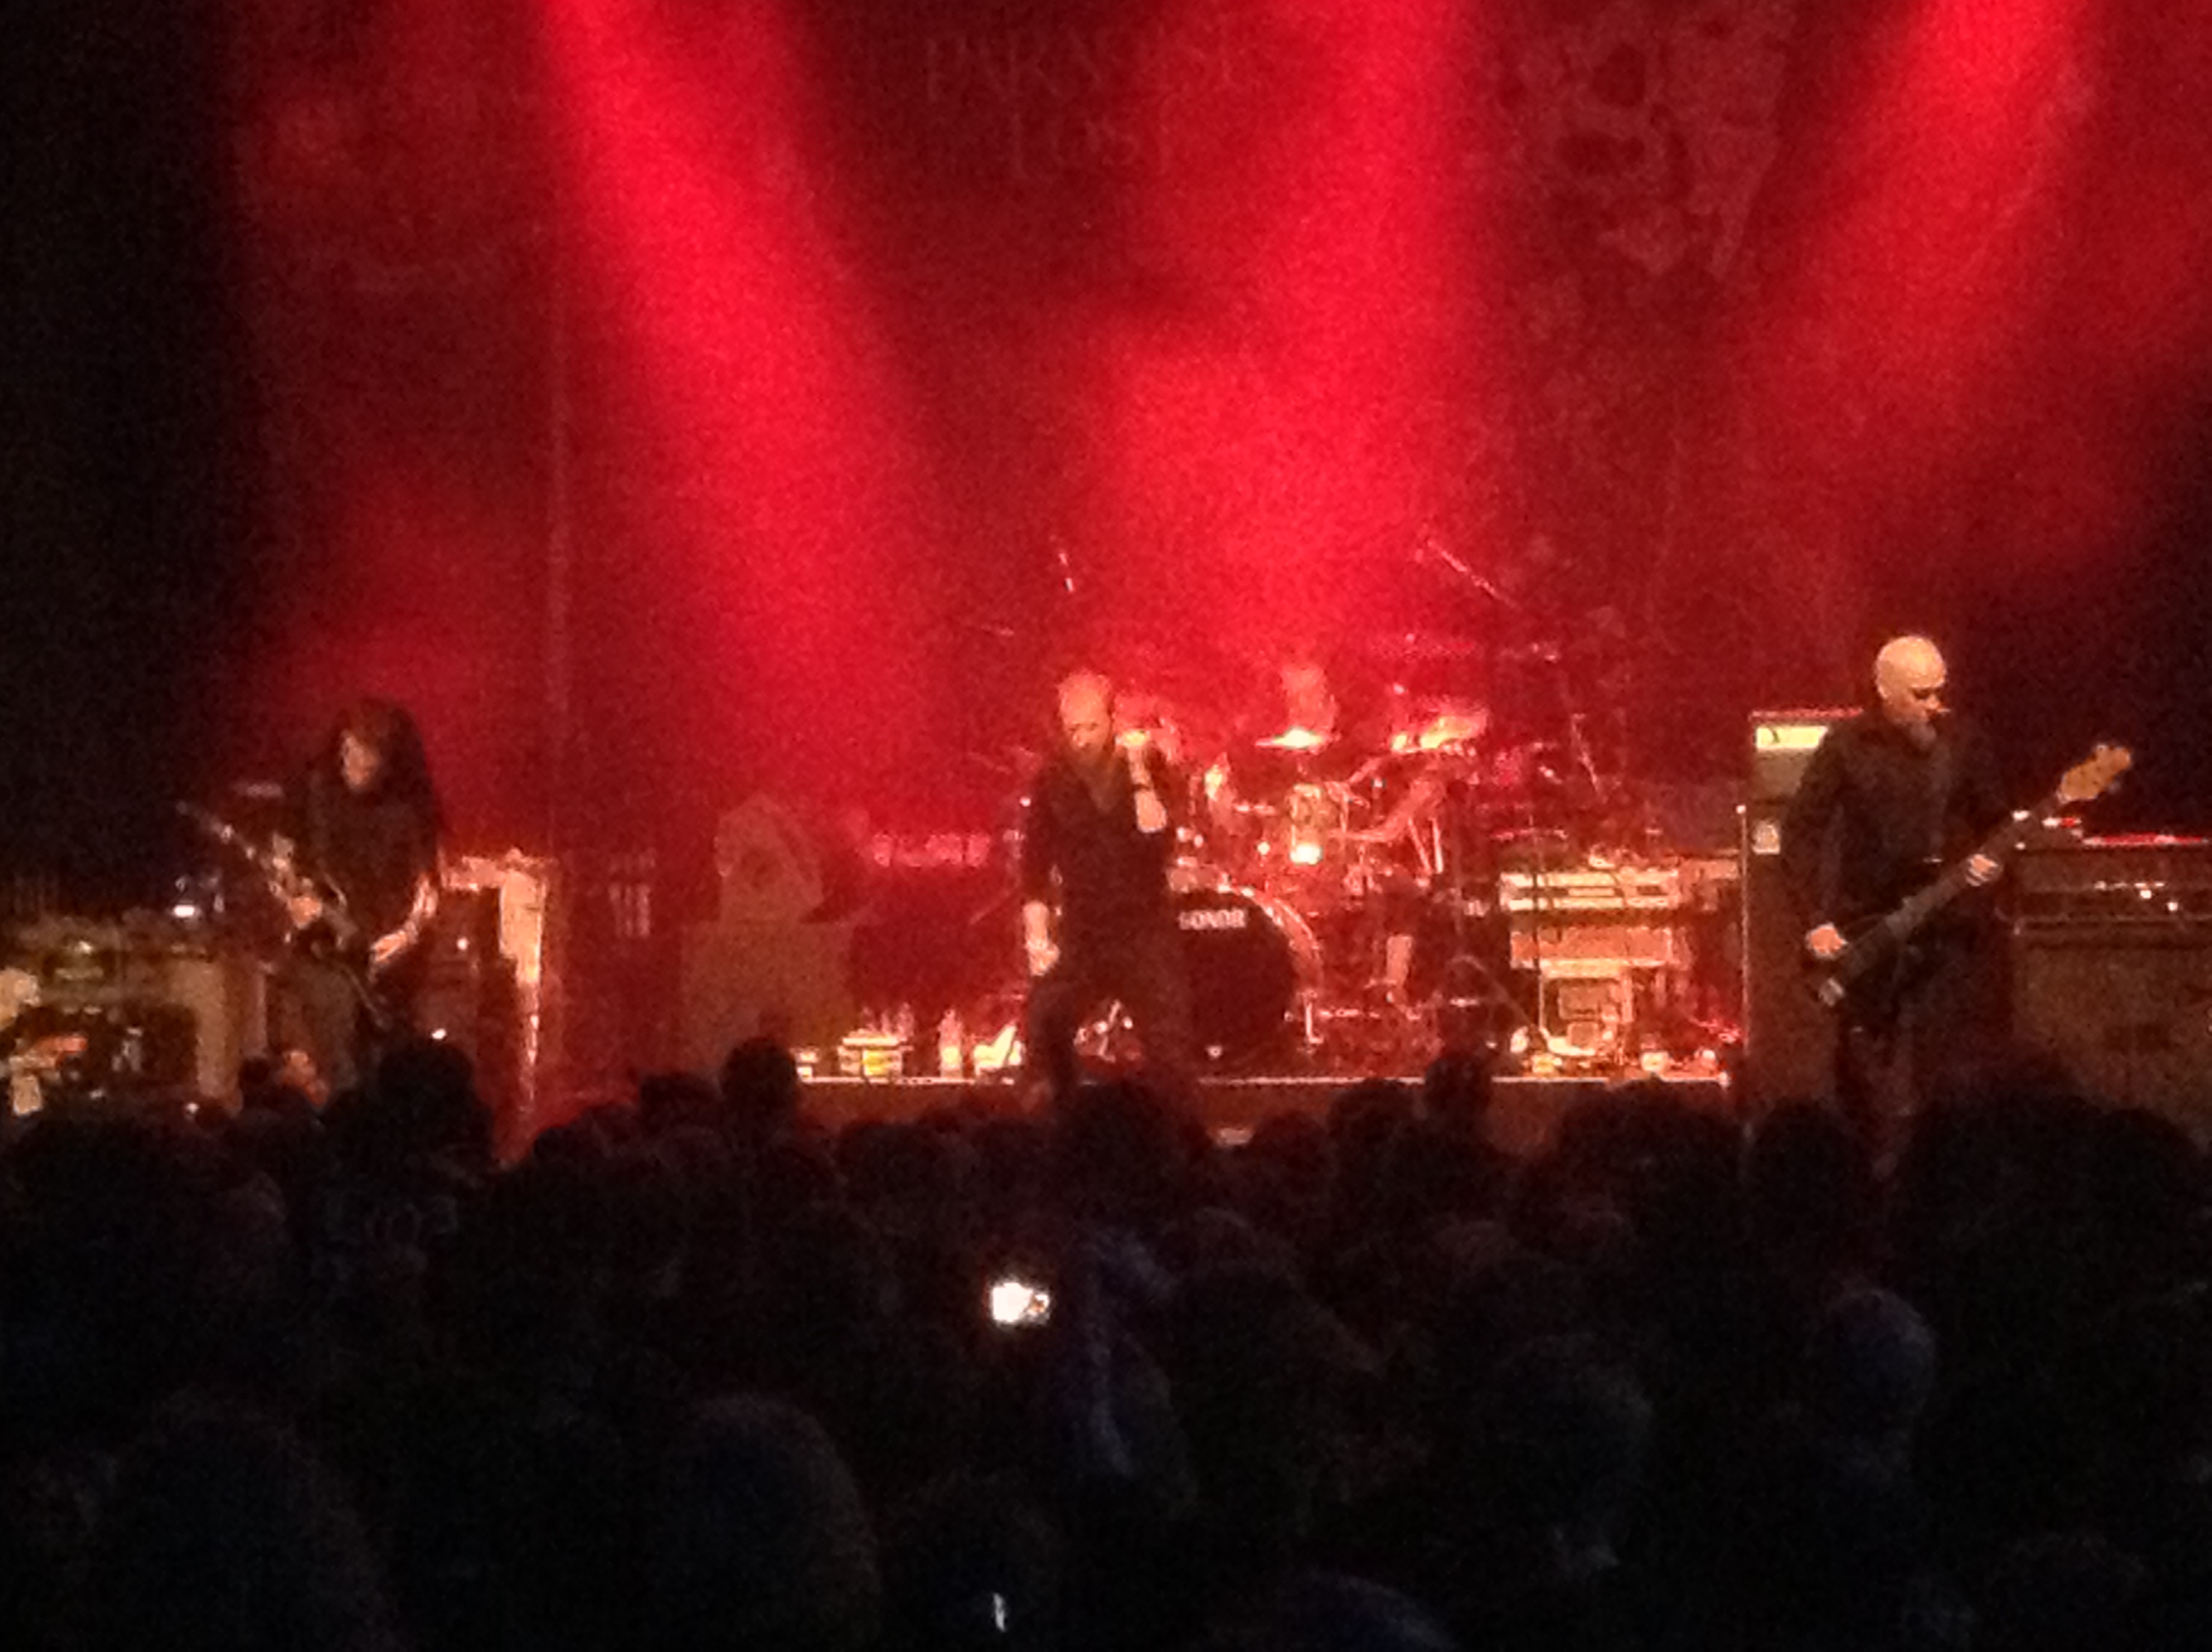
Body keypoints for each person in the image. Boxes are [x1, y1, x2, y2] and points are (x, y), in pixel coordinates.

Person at [1779, 635, 2008, 1161]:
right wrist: (1815, 919)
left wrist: (1991, 864)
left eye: (1940, 691)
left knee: (1944, 1062)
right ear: (1885, 690)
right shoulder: (1846, 744)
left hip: (1944, 924)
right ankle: (1866, 1162)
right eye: (1921, 694)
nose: (1935, 705)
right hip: (1867, 923)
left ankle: (1942, 1164)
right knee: (1864, 1065)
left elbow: (1995, 822)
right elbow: (1800, 833)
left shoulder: (1963, 741)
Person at [1020, 671, 1196, 1102]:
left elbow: (1159, 836)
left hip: (1144, 930)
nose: (1081, 740)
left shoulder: (1147, 765)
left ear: (1113, 721)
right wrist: (1036, 937)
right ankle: (1045, 1125)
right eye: (1072, 730)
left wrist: (1136, 769)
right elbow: (1034, 868)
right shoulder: (1052, 780)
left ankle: (1175, 1127)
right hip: (1082, 931)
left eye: (1091, 727)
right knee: (1043, 1030)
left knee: (1170, 1052)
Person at [267, 699, 445, 1099]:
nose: (358, 769)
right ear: (342, 743)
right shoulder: (312, 788)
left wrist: (409, 933)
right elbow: (281, 856)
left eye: (370, 762)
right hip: (324, 951)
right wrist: (290, 897)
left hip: (387, 960)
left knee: (387, 1069)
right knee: (337, 1064)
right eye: (351, 754)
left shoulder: (409, 804)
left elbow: (431, 882)